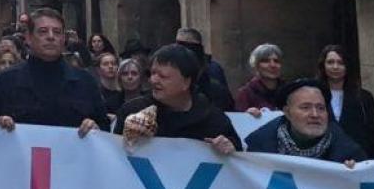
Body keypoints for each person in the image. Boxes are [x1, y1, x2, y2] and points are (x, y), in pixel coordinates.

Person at [0, 8, 104, 136]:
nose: (51, 37)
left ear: (63, 39)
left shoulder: (86, 82)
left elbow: (104, 127)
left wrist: (95, 128)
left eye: (57, 32)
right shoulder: (5, 81)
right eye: (43, 31)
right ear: (28, 38)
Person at [115, 44, 243, 154]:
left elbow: (240, 160)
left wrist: (229, 147)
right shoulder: (132, 111)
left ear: (186, 82)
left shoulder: (213, 119)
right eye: (153, 73)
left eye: (163, 76)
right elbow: (112, 153)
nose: (153, 80)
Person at [244, 79, 366, 163]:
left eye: (321, 108)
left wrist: (353, 175)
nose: (315, 114)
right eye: (305, 107)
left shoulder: (349, 153)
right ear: (287, 112)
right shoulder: (259, 147)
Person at [318, 45, 374, 158]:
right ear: (323, 66)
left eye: (340, 63)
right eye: (330, 62)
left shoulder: (364, 97)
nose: (335, 67)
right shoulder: (314, 95)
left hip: (358, 160)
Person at [234, 43, 286, 115]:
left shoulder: (289, 91)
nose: (272, 65)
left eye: (276, 61)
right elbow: (238, 122)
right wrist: (246, 115)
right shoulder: (246, 94)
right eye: (266, 61)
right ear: (255, 65)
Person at [95, 52, 125, 123]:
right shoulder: (96, 93)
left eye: (113, 63)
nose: (110, 66)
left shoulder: (124, 91)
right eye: (105, 64)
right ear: (98, 69)